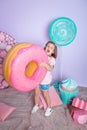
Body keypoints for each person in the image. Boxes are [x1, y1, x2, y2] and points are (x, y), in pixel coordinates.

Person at [31, 41, 57, 116]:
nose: (49, 48)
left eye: (51, 48)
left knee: (45, 94)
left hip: (45, 81)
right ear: (45, 47)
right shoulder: (40, 55)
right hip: (37, 79)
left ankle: (49, 107)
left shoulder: (52, 59)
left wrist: (45, 64)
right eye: (48, 46)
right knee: (36, 93)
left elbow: (50, 69)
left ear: (53, 52)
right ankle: (36, 105)